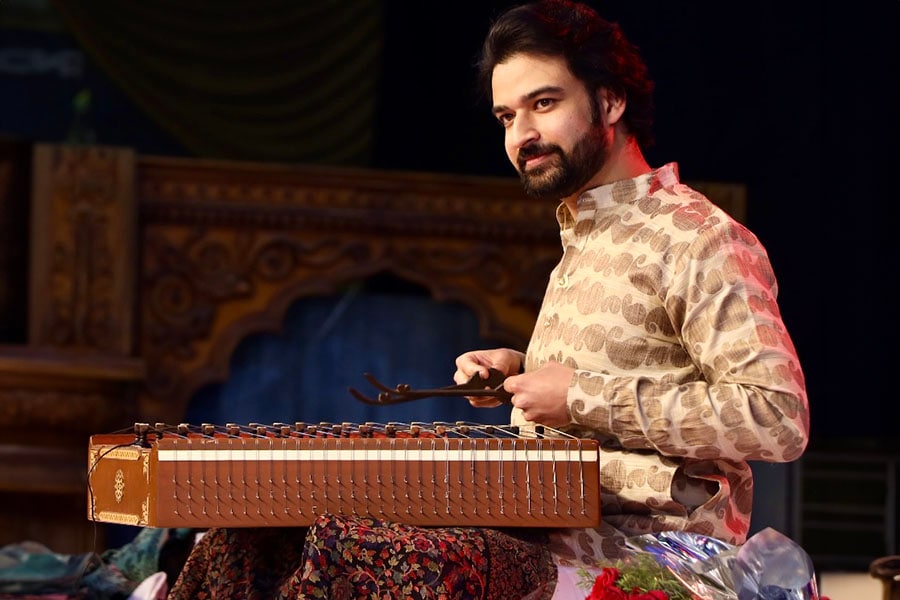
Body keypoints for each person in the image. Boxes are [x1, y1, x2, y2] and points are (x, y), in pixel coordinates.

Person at [168, 1, 809, 598]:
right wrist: (522, 373)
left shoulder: (697, 236)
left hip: (639, 564)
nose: (520, 134)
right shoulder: (585, 238)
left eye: (544, 103)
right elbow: (619, 378)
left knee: (348, 548)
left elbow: (778, 418)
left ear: (610, 101)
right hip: (538, 534)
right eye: (507, 117)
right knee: (249, 534)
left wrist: (579, 396)